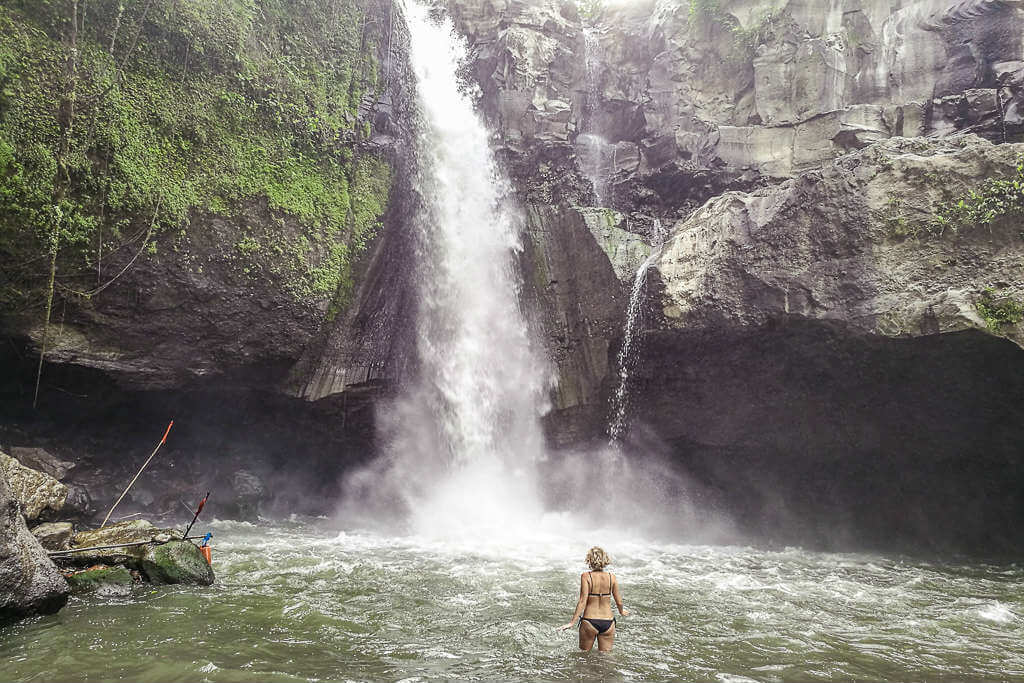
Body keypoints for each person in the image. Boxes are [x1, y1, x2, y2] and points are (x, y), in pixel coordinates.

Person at [557, 546, 629, 652]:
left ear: (589, 560)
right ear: (605, 560)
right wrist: (621, 611)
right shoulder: (611, 577)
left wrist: (572, 622)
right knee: (605, 659)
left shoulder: (586, 576)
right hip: (608, 622)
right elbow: (619, 601)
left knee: (583, 657)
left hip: (589, 621)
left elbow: (582, 601)